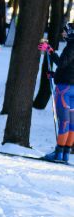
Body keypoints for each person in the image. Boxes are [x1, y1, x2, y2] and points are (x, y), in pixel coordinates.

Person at [41, 21, 74, 163]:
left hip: (64, 90)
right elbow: (69, 69)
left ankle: (58, 154)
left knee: (65, 122)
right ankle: (65, 154)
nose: (63, 33)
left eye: (65, 31)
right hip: (71, 87)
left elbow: (62, 63)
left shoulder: (71, 46)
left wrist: (50, 51)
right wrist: (56, 75)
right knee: (72, 124)